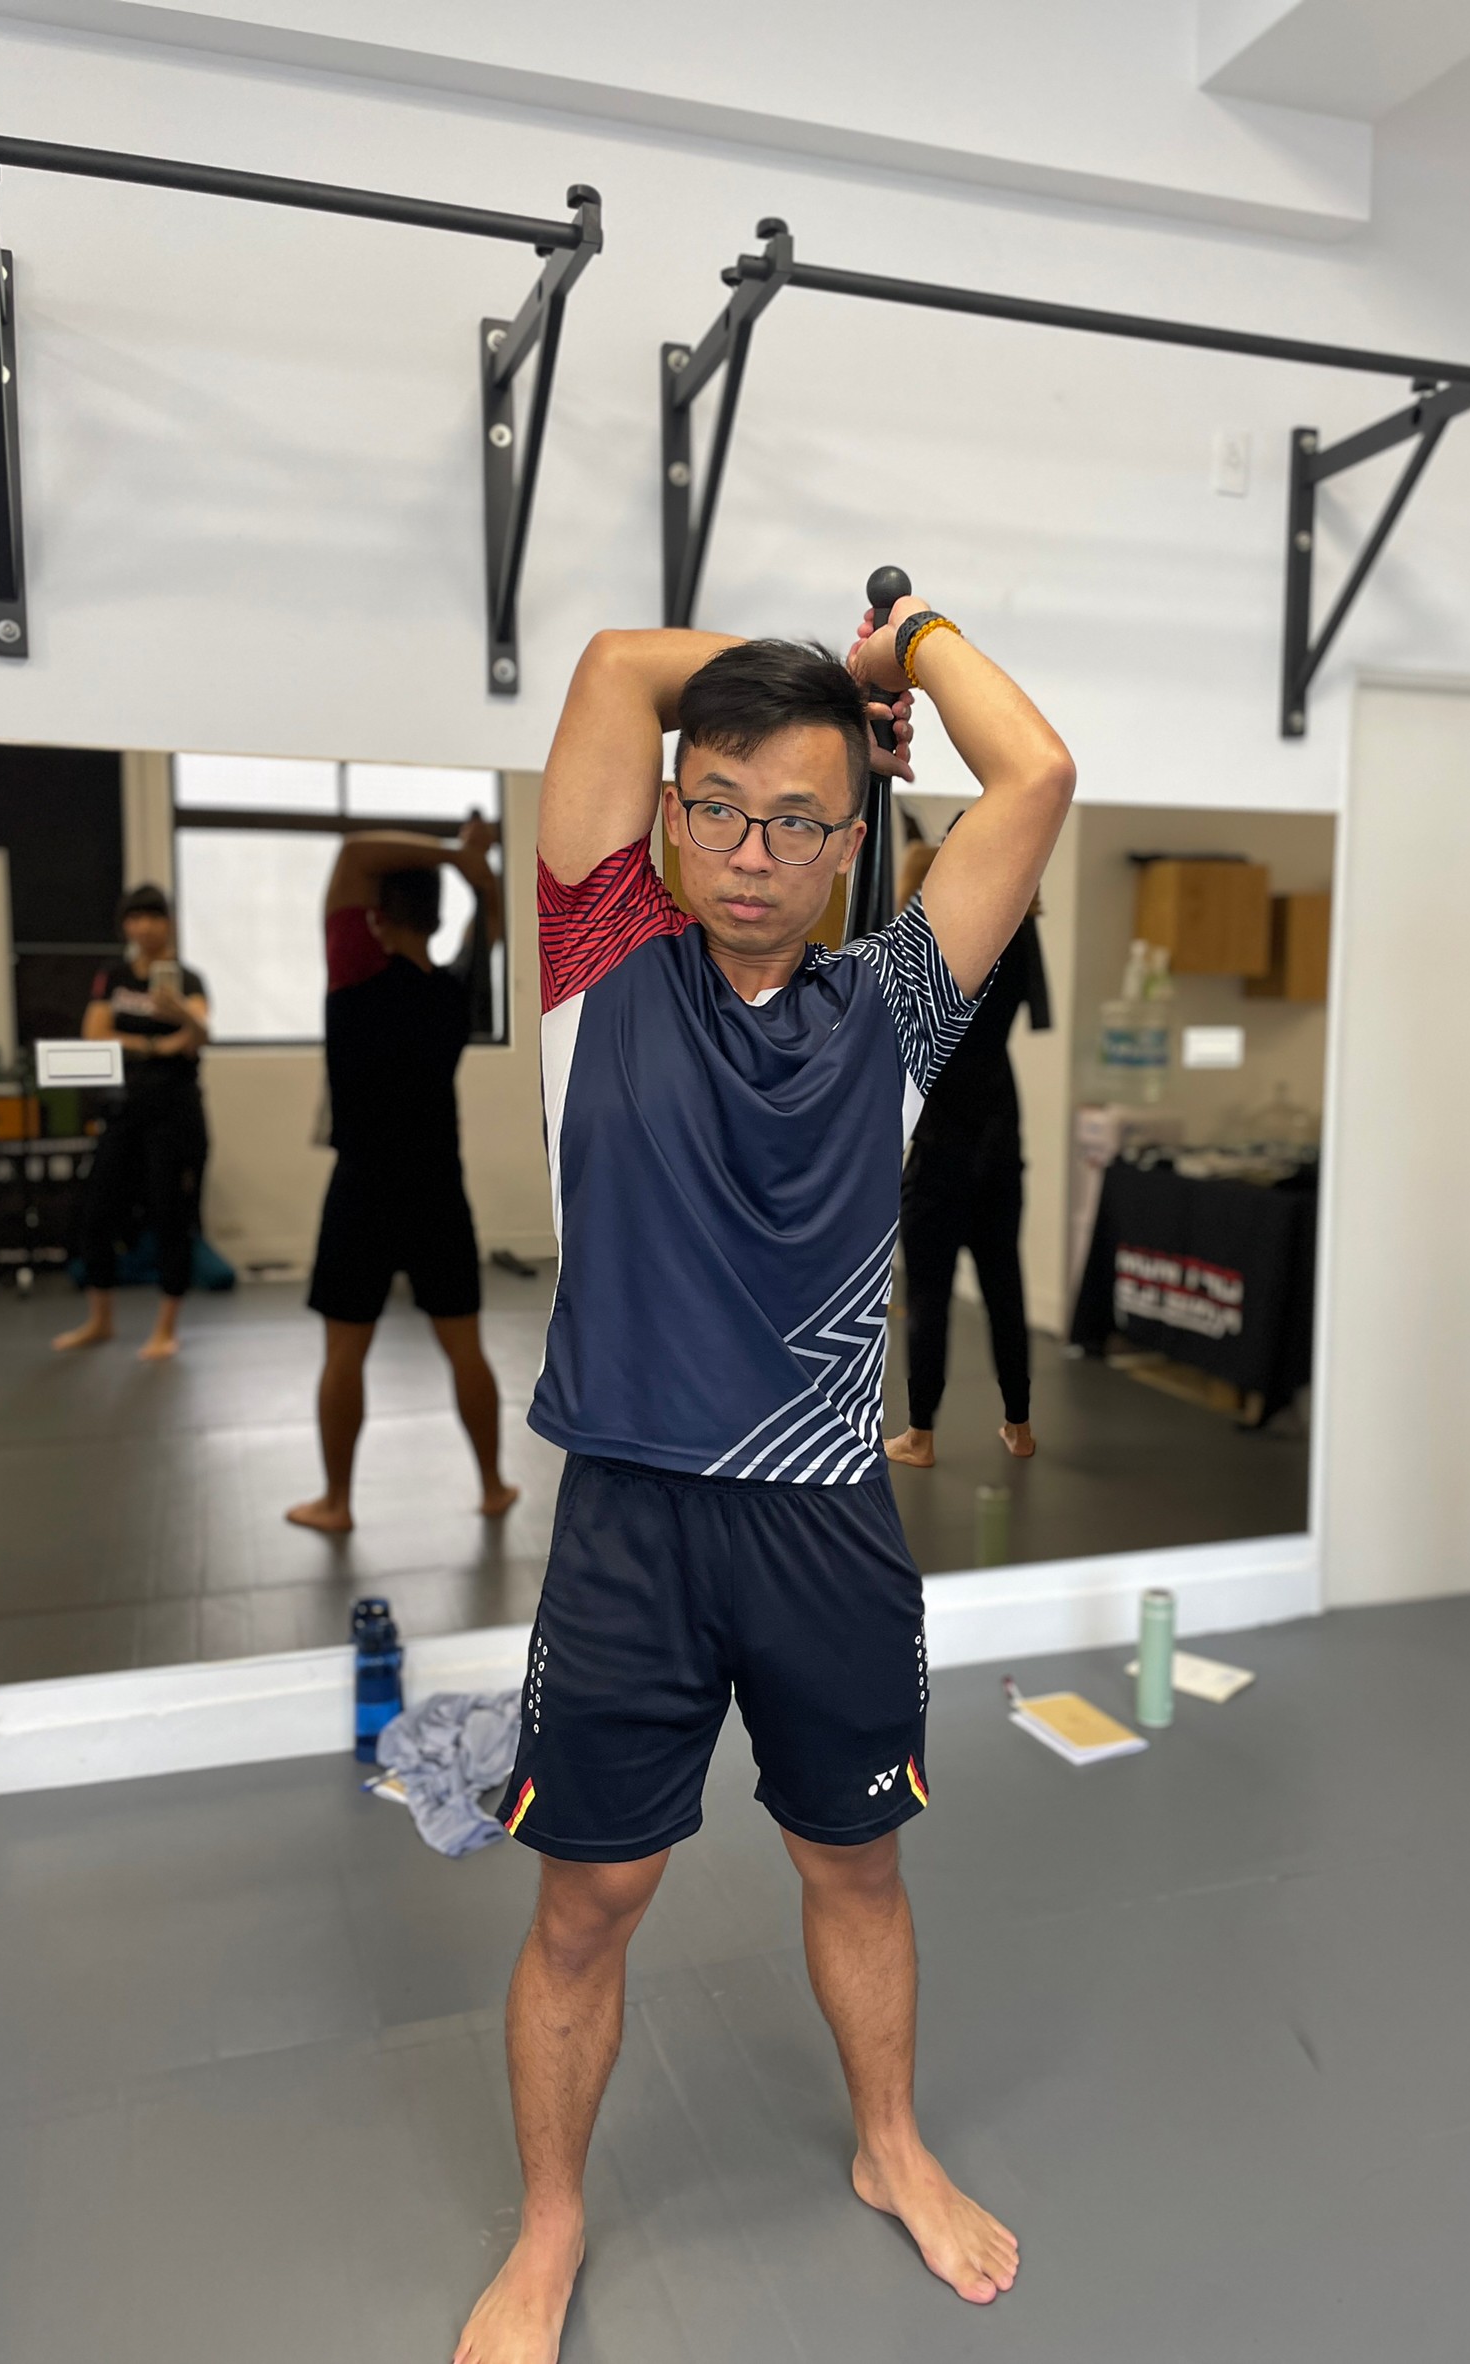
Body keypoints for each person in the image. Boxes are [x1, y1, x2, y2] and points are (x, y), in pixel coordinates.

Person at [456, 599, 1074, 2364]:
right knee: (589, 1898)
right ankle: (551, 2223)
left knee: (853, 1861)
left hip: (822, 1524)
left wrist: (913, 642)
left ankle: (889, 2145)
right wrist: (826, 674)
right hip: (630, 1524)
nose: (751, 852)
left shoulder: (893, 1009)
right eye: (718, 807)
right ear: (668, 812)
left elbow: (1033, 773)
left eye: (799, 822)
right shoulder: (597, 959)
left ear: (853, 841)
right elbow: (609, 670)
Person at [285, 819, 519, 1534]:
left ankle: (337, 1503)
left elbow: (355, 854)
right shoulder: (453, 991)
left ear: (377, 917)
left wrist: (456, 855)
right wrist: (478, 870)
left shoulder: (356, 970)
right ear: (436, 920)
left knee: (343, 1353)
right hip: (437, 1189)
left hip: (363, 1188)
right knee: (465, 1345)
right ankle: (492, 1486)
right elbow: (489, 922)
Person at [885, 837, 1051, 1468]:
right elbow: (1031, 1012)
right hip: (999, 1125)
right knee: (1004, 1282)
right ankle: (1020, 1426)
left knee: (929, 1292)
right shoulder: (1017, 932)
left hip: (942, 1129)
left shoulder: (935, 946)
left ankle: (920, 1435)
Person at [53, 882, 210, 1362]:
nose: (144, 926)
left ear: (169, 923)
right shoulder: (114, 976)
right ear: (125, 926)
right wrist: (155, 1045)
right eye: (135, 917)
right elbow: (94, 1034)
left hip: (175, 1114)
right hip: (123, 1111)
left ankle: (166, 1327)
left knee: (170, 1217)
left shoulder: (188, 980)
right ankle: (100, 1319)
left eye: (153, 916)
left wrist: (181, 1014)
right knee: (97, 1214)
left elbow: (199, 1037)